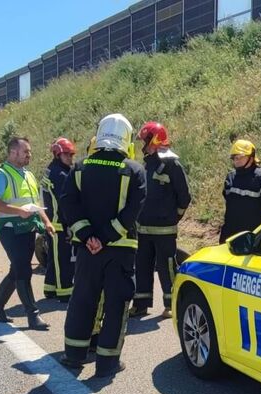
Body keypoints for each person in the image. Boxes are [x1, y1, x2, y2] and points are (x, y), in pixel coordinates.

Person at [59, 114, 146, 378]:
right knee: (116, 305)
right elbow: (134, 210)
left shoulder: (80, 167)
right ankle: (107, 363)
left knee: (83, 299)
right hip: (120, 249)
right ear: (126, 138)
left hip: (87, 250)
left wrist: (88, 237)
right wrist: (107, 236)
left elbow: (68, 204)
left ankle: (74, 356)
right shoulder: (134, 169)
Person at [0, 137, 55, 330]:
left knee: (17, 270)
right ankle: (33, 314)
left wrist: (46, 221)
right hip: (9, 228)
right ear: (13, 152)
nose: (29, 155)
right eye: (26, 152)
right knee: (23, 269)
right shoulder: (0, 174)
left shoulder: (28, 175)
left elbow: (35, 202)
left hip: (28, 227)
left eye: (29, 151)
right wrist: (17, 211)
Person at [130, 121, 191, 319]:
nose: (143, 145)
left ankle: (171, 304)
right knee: (142, 266)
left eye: (145, 141)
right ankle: (140, 304)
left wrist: (174, 217)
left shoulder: (172, 163)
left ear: (154, 140)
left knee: (167, 267)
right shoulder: (148, 163)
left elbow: (184, 196)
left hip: (164, 229)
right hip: (143, 228)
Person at [220, 139, 261, 243]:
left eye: (240, 157)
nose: (236, 161)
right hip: (230, 235)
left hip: (254, 238)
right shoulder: (230, 177)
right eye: (234, 158)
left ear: (251, 157)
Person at [41, 137, 76, 302]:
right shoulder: (60, 175)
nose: (70, 157)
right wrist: (70, 225)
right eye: (66, 155)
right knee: (63, 260)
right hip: (59, 224)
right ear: (57, 155)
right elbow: (66, 203)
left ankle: (50, 288)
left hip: (52, 222)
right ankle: (64, 292)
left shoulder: (52, 170)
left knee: (53, 259)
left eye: (71, 154)